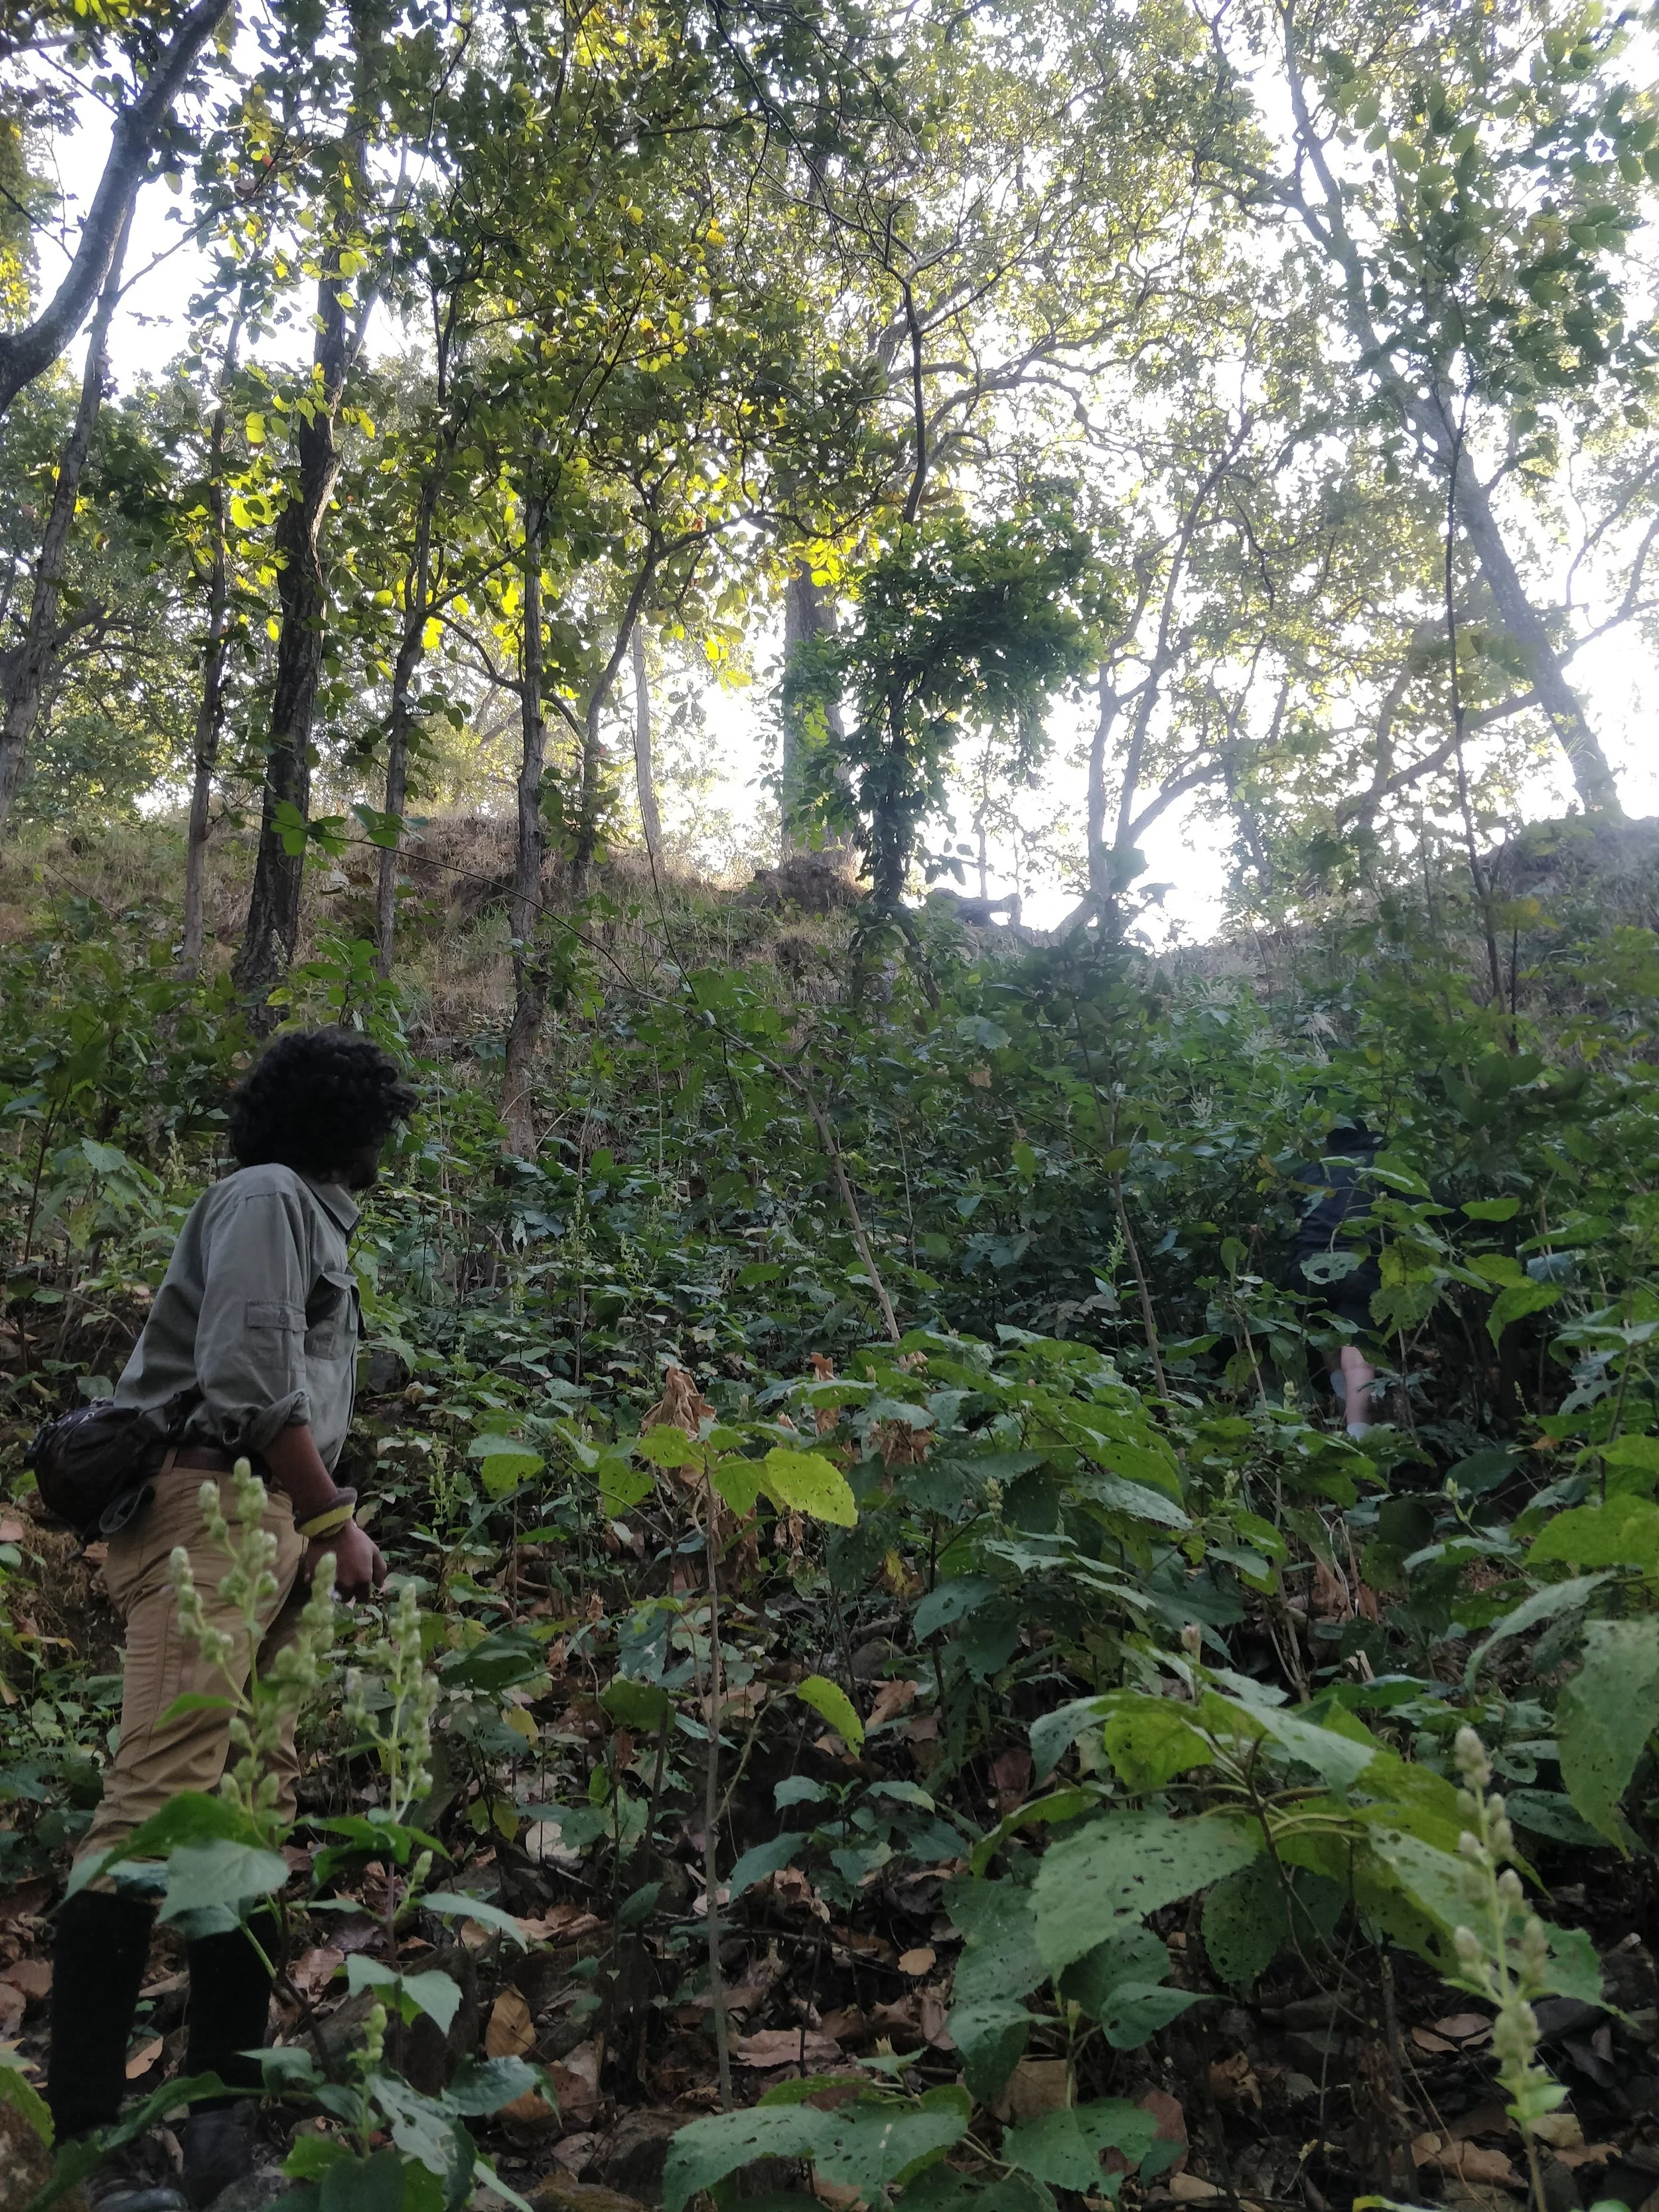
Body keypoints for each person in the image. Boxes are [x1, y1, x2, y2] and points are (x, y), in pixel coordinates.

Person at [43, 1029, 415, 2212]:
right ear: (345, 1123)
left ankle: (219, 2127)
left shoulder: (306, 1213)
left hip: (264, 1522)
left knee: (249, 1806)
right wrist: (336, 1518)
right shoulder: (265, 1197)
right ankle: (90, 2141)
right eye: (375, 1120)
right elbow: (251, 1375)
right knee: (157, 1797)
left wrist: (316, 1516)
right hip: (212, 1509)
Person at [1293, 1120, 1384, 1438]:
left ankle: (1340, 1399)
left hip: (1308, 1266)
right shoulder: (1381, 1167)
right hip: (1357, 1267)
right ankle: (1358, 1433)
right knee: (1357, 1352)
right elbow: (1433, 1204)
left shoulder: (1314, 1169)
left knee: (1323, 1328)